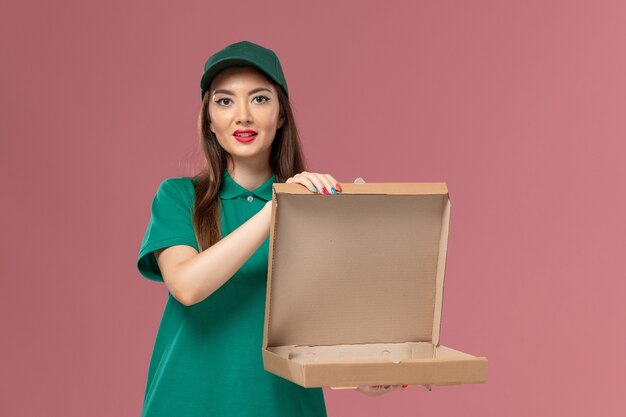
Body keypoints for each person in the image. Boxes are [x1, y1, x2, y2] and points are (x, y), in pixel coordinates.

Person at [136, 40, 406, 417]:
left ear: (281, 115)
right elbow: (187, 285)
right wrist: (280, 205)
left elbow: (326, 335)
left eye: (260, 99)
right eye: (225, 101)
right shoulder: (179, 197)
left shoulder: (315, 209)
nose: (242, 115)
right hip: (186, 403)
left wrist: (369, 378)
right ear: (209, 120)